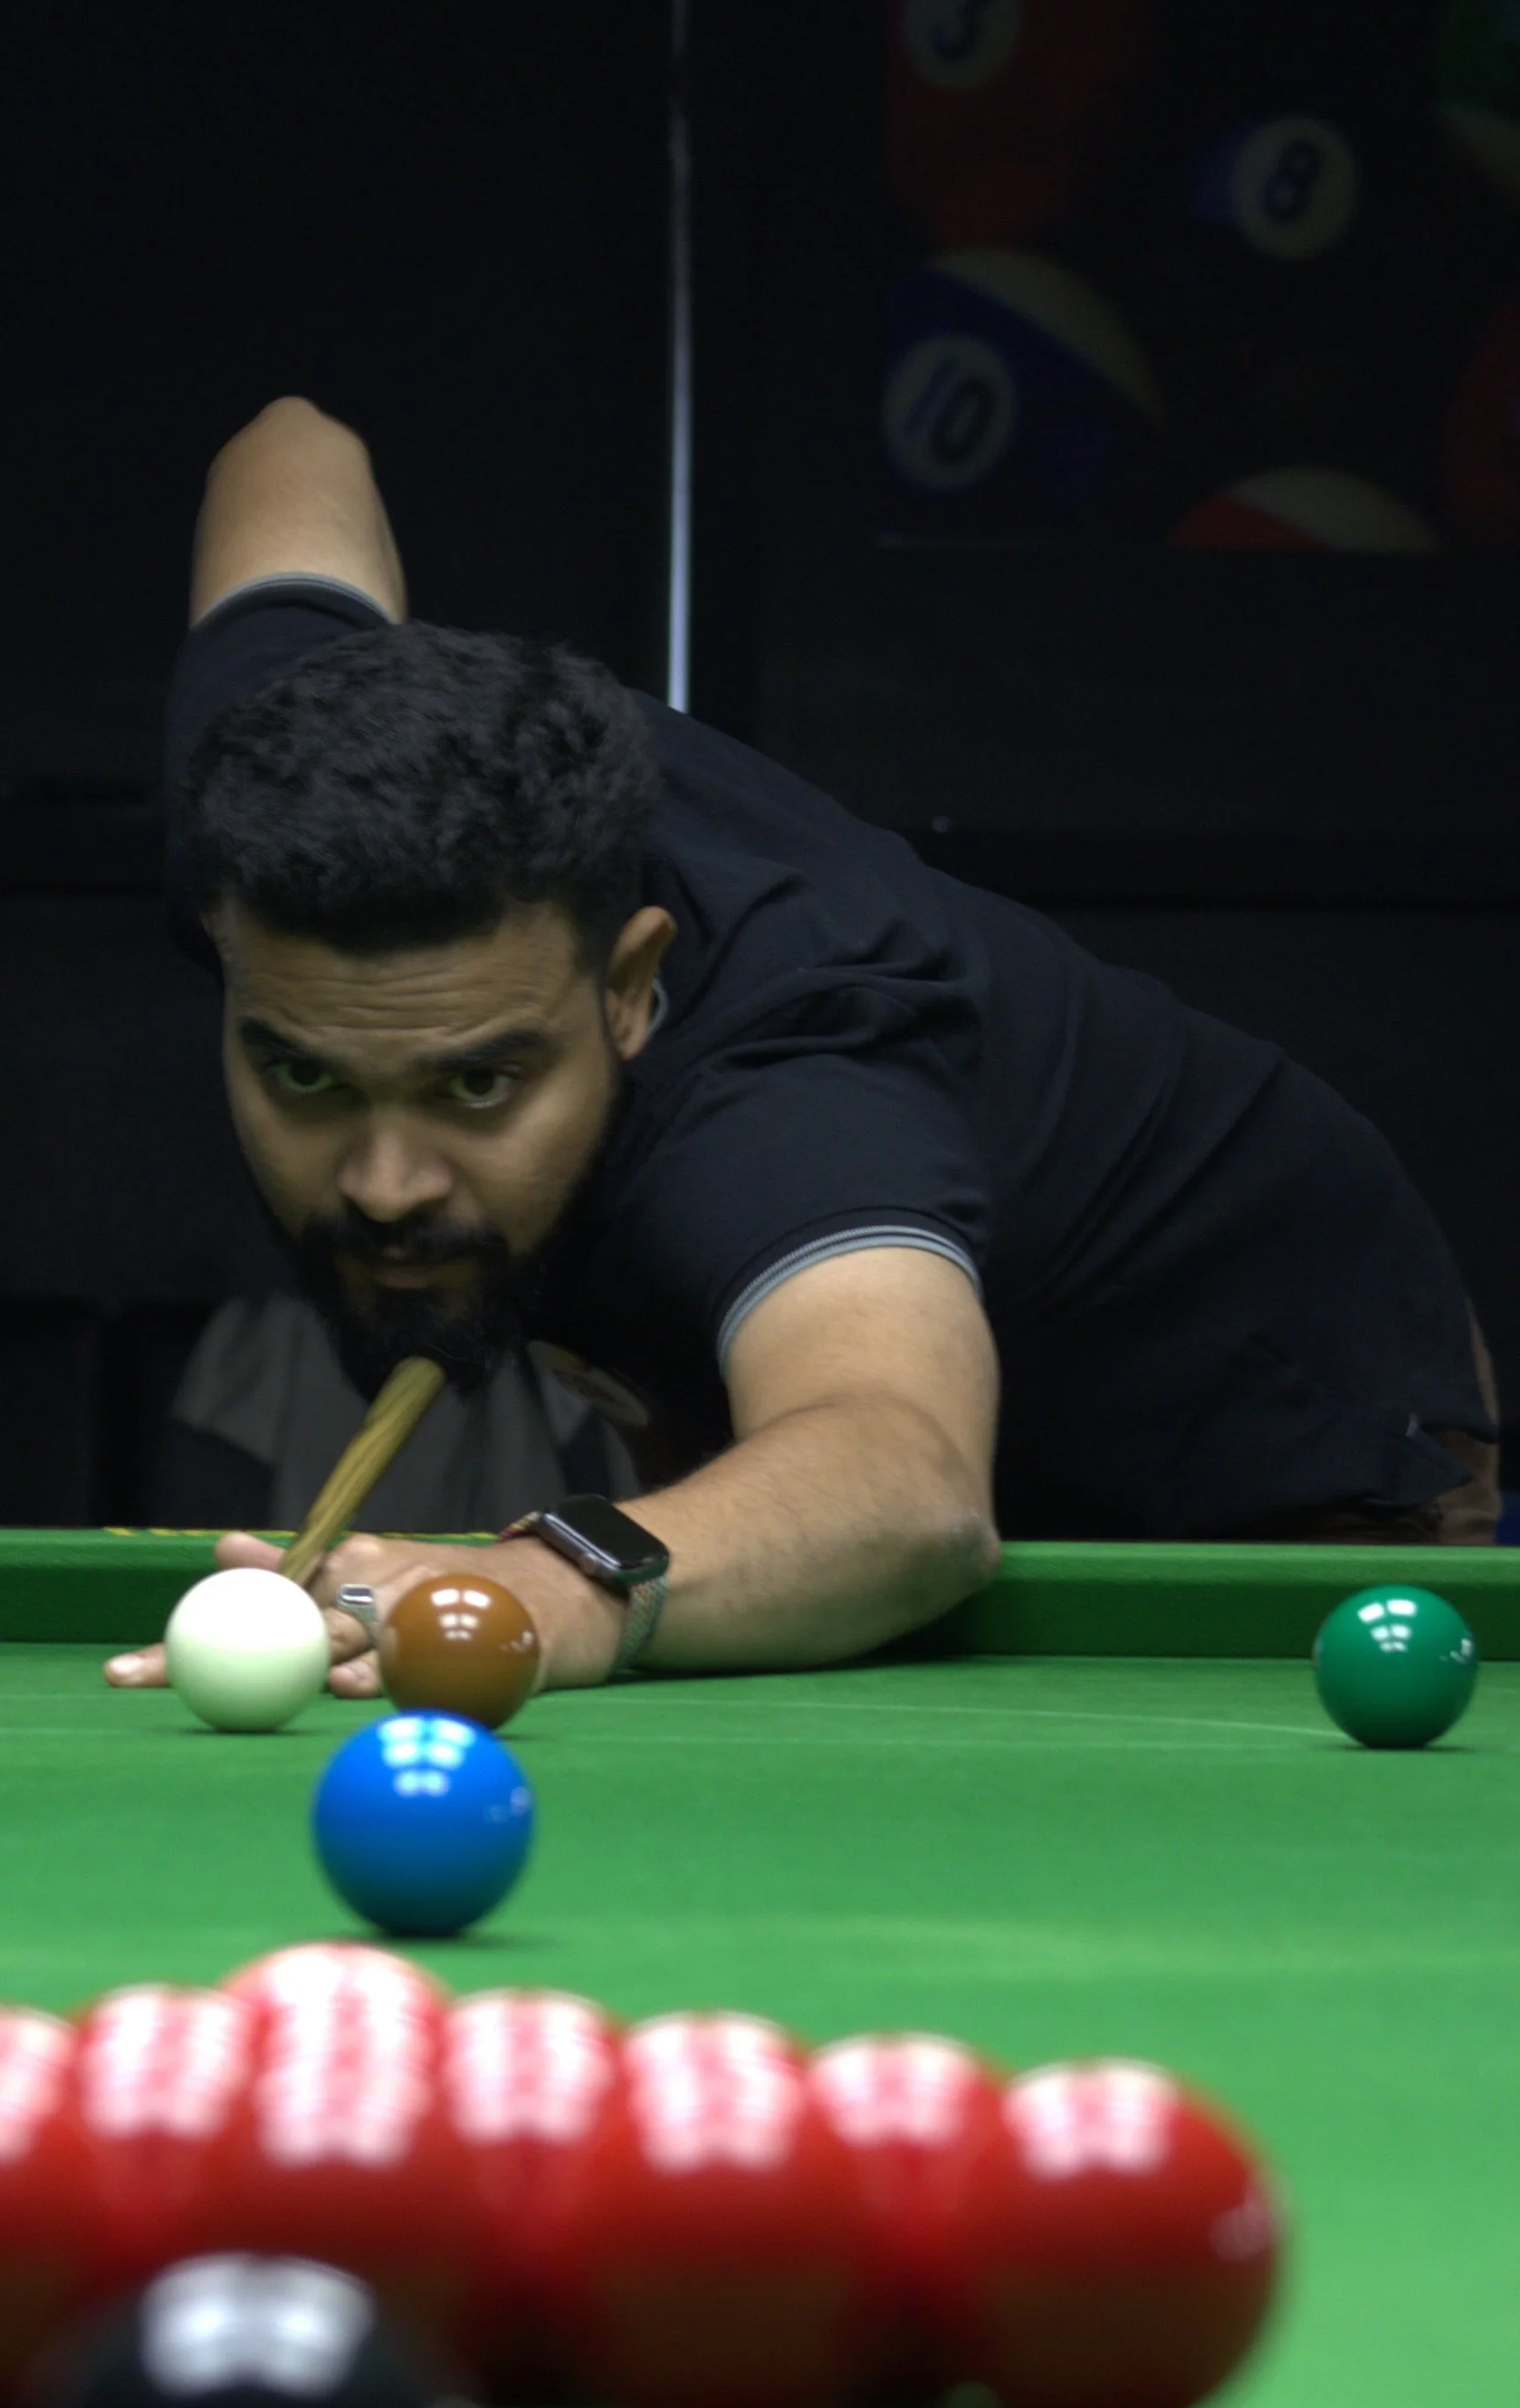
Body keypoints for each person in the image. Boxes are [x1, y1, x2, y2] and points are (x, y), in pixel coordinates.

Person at [108, 397, 1498, 1703]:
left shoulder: (790, 1085)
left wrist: (544, 1584)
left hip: (1256, 1461)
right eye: (308, 1078)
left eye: (479, 1083)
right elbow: (293, 446)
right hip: (799, 1429)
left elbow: (904, 1487)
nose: (387, 1182)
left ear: (632, 986)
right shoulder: (272, 824)